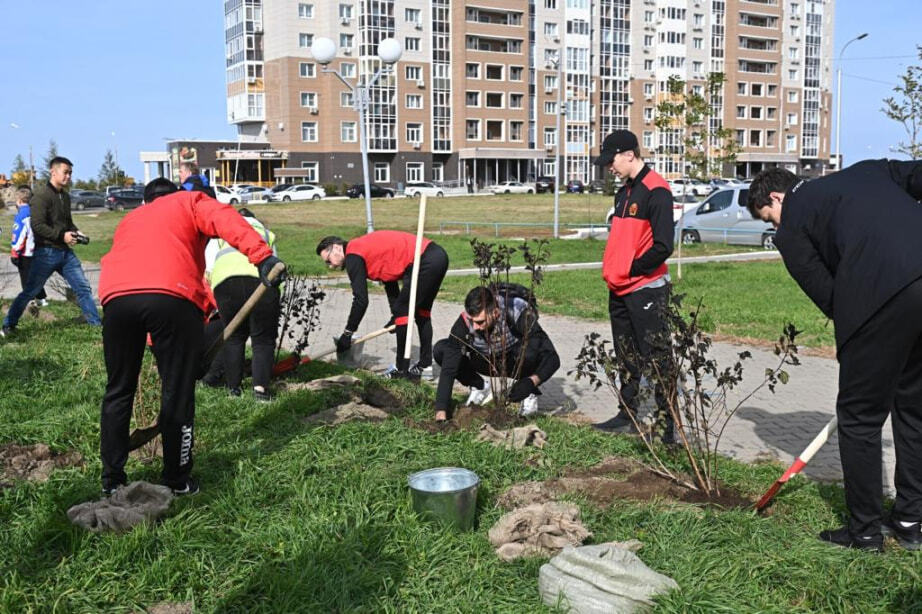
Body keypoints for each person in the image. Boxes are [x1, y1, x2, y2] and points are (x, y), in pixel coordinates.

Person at [747, 162, 922, 552]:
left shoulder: (791, 230)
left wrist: (859, 331)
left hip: (876, 300)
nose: (775, 226)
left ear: (775, 198)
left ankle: (865, 533)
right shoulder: (868, 172)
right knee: (913, 409)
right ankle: (910, 520)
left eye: (769, 218)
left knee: (860, 418)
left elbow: (827, 295)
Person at [97, 178, 283, 496]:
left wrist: (160, 347)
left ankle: (112, 481)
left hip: (116, 299)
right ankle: (176, 480)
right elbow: (226, 217)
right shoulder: (189, 202)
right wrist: (262, 256)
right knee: (177, 392)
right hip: (171, 296)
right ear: (175, 195)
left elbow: (144, 283)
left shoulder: (130, 219)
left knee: (118, 390)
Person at [591, 130, 676, 443]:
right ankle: (627, 414)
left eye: (611, 161)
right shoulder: (624, 192)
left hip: (646, 289)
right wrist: (617, 273)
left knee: (657, 356)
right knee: (626, 355)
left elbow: (664, 245)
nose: (608, 168)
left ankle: (667, 427)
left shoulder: (657, 190)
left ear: (629, 154)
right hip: (619, 289)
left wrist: (631, 269)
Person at [316, 231, 449, 379]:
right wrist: (395, 316)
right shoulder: (361, 248)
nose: (330, 266)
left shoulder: (353, 255)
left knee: (403, 311)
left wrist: (348, 333)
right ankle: (425, 367)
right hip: (437, 256)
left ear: (336, 248)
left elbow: (361, 300)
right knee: (421, 312)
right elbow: (389, 281)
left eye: (328, 261)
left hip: (424, 260)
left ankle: (400, 370)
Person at [1, 157, 100, 337]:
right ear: (53, 172)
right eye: (66, 172)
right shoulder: (41, 197)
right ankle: (8, 325)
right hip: (45, 252)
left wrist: (77, 232)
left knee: (83, 288)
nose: (69, 176)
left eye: (71, 173)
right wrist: (62, 235)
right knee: (31, 290)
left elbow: (67, 223)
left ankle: (95, 324)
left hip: (65, 253)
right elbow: (37, 225)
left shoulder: (65, 196)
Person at [432, 284, 560, 421]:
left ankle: (528, 393)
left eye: (480, 322)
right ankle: (479, 386)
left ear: (495, 313)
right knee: (442, 350)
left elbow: (552, 358)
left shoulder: (518, 312)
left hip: (514, 361)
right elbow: (449, 369)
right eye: (472, 321)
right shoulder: (464, 323)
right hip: (486, 361)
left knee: (531, 350)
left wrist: (531, 382)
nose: (475, 327)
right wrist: (441, 412)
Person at [204, 207, 281, 401]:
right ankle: (260, 391)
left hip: (226, 283)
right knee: (263, 339)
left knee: (234, 337)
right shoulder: (265, 232)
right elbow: (274, 268)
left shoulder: (221, 232)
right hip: (260, 282)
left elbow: (208, 268)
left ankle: (233, 390)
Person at [9, 186, 49, 308]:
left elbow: (20, 234)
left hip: (25, 252)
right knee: (36, 276)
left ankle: (30, 301)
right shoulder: (35, 212)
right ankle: (42, 298)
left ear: (19, 200)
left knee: (25, 278)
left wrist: (15, 250)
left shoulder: (22, 215)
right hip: (36, 250)